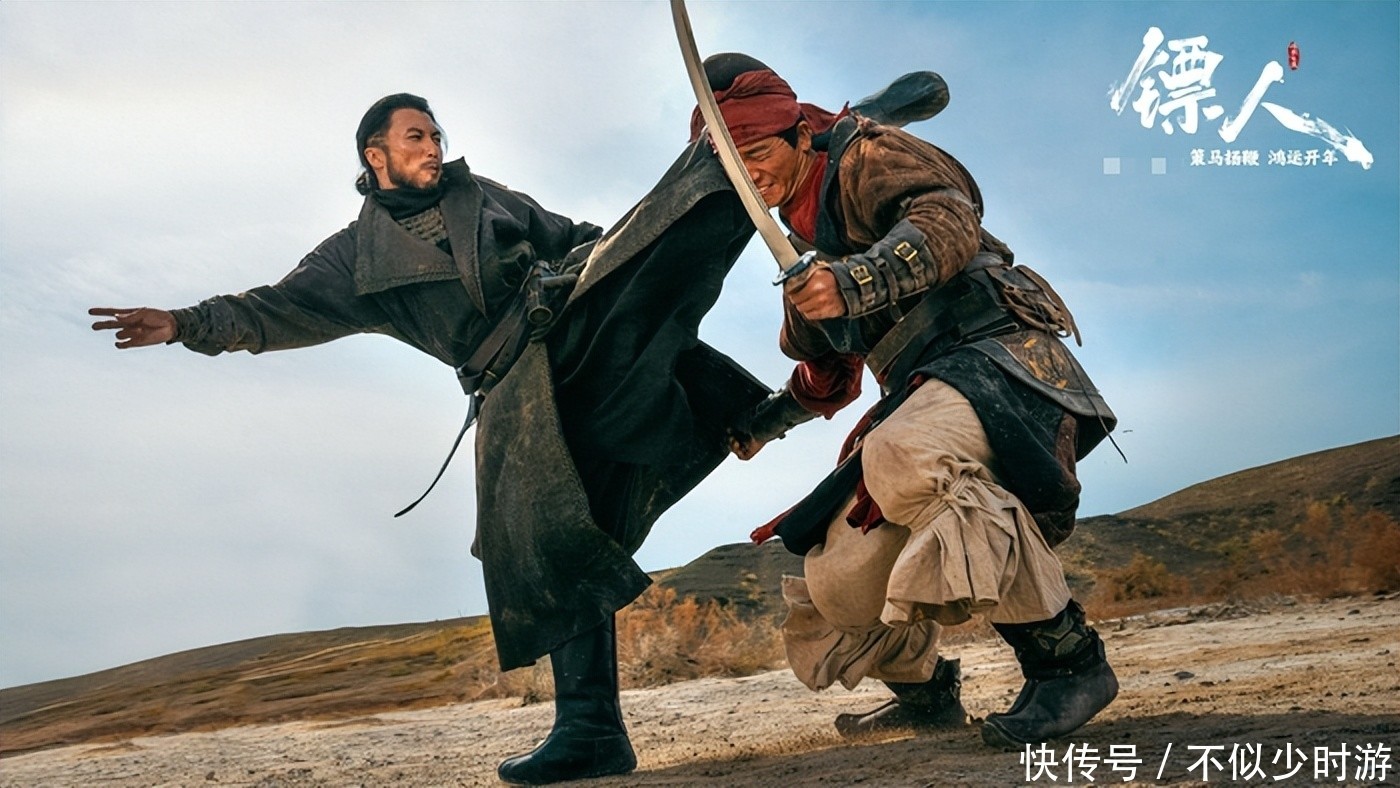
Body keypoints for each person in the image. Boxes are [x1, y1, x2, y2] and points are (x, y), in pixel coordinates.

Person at [91, 92, 769, 784]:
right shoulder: (356, 258)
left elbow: (577, 235)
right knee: (554, 543)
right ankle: (591, 732)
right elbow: (273, 309)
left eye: (436, 135)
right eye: (415, 136)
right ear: (375, 154)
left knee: (674, 207)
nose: (433, 146)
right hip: (519, 394)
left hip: (579, 327)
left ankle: (765, 164)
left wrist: (630, 247)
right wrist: (184, 323)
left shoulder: (483, 195)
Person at [694, 54, 1121, 749]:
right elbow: (829, 375)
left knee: (903, 454)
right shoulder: (799, 250)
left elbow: (948, 220)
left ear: (800, 135)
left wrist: (854, 281)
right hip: (920, 394)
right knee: (839, 577)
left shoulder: (868, 155)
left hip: (1002, 361)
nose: (751, 175)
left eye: (759, 153)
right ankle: (926, 693)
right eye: (734, 167)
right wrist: (764, 424)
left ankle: (1069, 666)